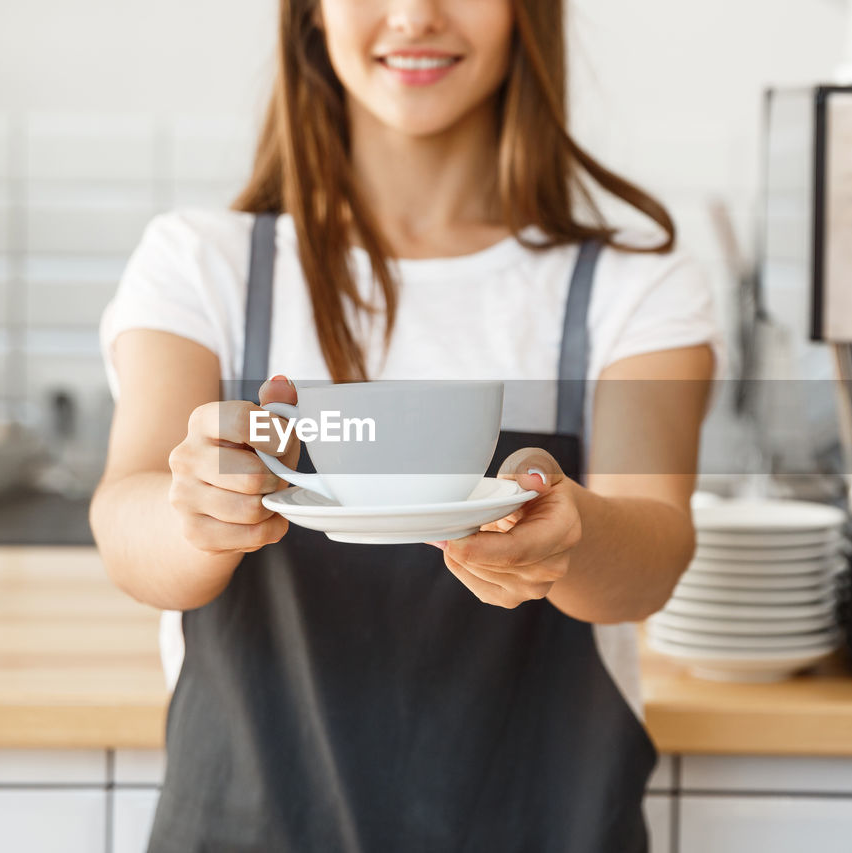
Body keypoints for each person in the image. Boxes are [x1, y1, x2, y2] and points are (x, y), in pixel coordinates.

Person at [93, 0, 717, 850]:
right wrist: (196, 506)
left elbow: (652, 558)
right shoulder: (202, 265)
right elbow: (126, 523)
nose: (416, 15)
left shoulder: (634, 288)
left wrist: (572, 529)